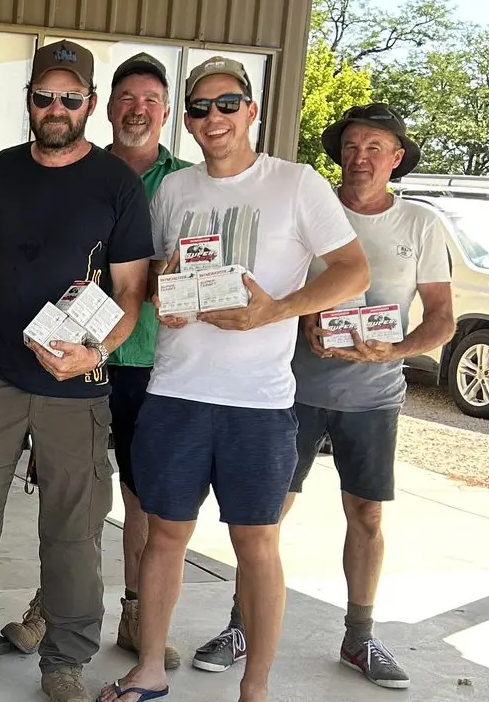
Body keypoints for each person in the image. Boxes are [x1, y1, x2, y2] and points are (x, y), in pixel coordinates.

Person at [98, 57, 370, 702]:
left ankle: (255, 689)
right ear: (185, 121)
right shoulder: (175, 191)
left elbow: (352, 271)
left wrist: (272, 310)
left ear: (251, 111)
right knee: (164, 536)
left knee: (256, 544)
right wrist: (167, 295)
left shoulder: (297, 184)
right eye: (199, 107)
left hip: (259, 402)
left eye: (227, 104)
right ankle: (150, 670)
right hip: (176, 391)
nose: (213, 117)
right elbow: (159, 274)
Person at [191, 103, 453, 691]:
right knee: (265, 515)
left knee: (366, 514)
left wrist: (396, 350)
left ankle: (360, 636)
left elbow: (441, 320)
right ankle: (242, 627)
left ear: (397, 158)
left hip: (375, 396)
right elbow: (264, 284)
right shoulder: (308, 204)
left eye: (375, 148)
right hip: (294, 390)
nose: (361, 158)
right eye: (352, 146)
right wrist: (302, 318)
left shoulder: (421, 225)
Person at [0, 40, 151, 702]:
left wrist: (96, 352)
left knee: (74, 530)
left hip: (75, 385)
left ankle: (65, 663)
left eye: (70, 98)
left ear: (89, 104)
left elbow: (132, 290)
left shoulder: (117, 184)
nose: (56, 108)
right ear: (29, 100)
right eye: (44, 96)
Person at [0, 53, 190, 671]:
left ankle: (136, 612)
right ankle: (49, 607)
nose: (137, 109)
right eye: (126, 98)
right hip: (69, 363)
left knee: (139, 494)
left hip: (149, 359)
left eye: (150, 100)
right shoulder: (82, 169)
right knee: (70, 497)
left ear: (166, 111)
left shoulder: (188, 182)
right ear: (106, 106)